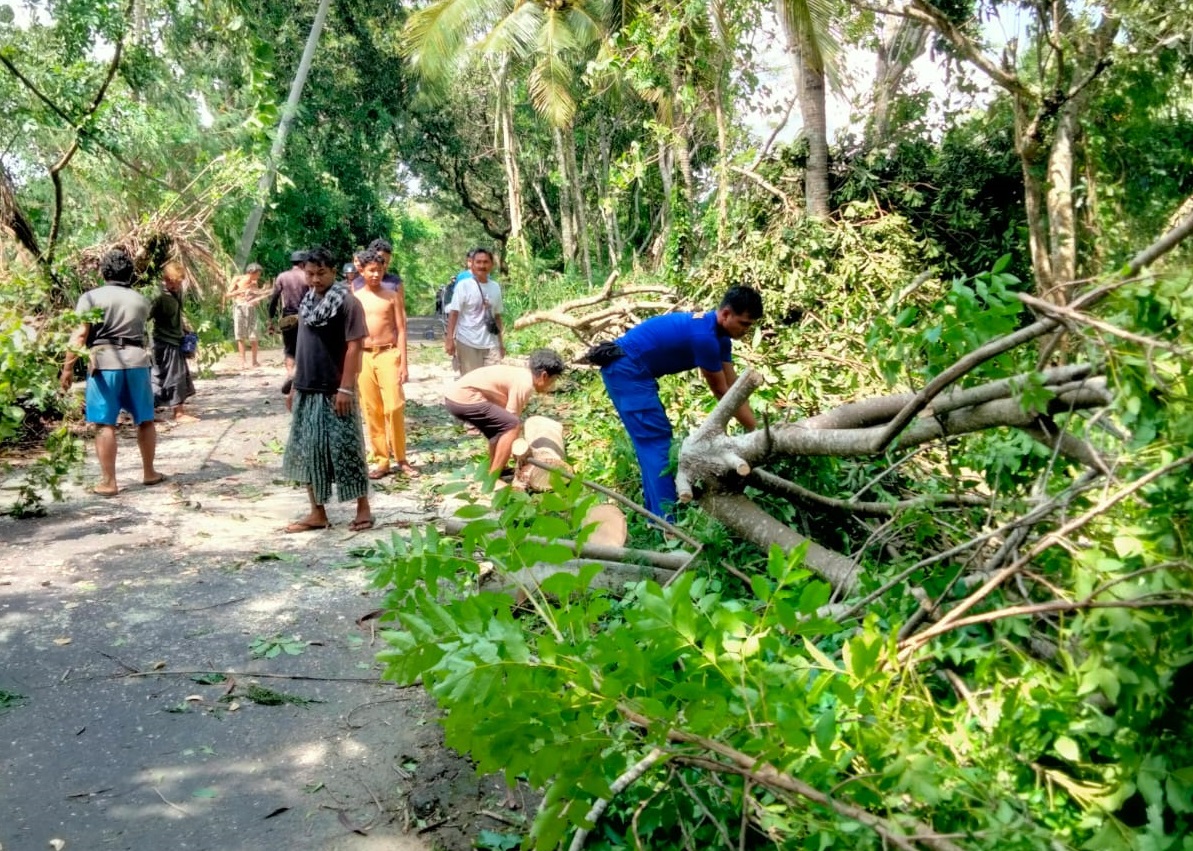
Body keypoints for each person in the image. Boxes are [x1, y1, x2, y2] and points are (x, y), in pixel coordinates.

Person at [595, 286, 763, 520]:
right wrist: (755, 431)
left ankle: (655, 517)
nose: (746, 330)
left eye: (750, 325)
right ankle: (668, 523)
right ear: (725, 314)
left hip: (634, 370)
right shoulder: (704, 338)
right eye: (744, 324)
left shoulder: (721, 338)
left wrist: (756, 430)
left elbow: (736, 388)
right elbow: (721, 391)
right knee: (657, 444)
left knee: (651, 445)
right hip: (627, 370)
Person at [280, 247, 374, 533]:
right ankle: (317, 512)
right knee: (309, 451)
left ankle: (363, 509)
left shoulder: (347, 303)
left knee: (346, 449)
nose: (315, 279)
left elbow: (355, 347)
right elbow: (302, 346)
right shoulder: (307, 301)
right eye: (310, 273)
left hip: (335, 390)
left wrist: (345, 388)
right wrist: (295, 384)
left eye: (321, 273)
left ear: (334, 271)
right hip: (307, 388)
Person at [59, 248, 165, 497]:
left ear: (103, 272)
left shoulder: (91, 297)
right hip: (138, 361)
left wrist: (67, 369)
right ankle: (149, 472)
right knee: (145, 419)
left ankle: (109, 482)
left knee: (105, 423)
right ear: (130, 273)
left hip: (105, 363)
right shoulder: (141, 299)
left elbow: (81, 334)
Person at [443, 349, 565, 475]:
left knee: (499, 430)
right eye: (553, 380)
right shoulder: (525, 384)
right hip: (464, 399)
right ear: (544, 376)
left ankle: (495, 468)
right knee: (512, 426)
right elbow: (512, 421)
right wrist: (520, 451)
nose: (551, 385)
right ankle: (494, 477)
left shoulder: (521, 375)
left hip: (453, 398)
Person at [353, 248, 417, 479]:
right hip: (364, 356)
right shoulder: (356, 297)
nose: (375, 275)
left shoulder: (392, 296)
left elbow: (401, 329)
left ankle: (401, 458)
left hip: (389, 354)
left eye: (379, 270)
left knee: (395, 406)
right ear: (362, 270)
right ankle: (382, 460)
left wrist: (404, 363)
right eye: (371, 271)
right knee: (372, 409)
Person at [148, 261, 197, 422]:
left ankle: (149, 412)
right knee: (172, 376)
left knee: (171, 376)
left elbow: (177, 313)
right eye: (173, 283)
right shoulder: (158, 296)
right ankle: (178, 413)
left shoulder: (176, 293)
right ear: (166, 279)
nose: (176, 286)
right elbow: (145, 316)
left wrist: (184, 329)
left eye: (178, 283)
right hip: (163, 341)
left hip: (176, 338)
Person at [444, 247, 504, 374]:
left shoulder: (495, 287)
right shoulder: (463, 286)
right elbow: (454, 313)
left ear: (492, 265)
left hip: (491, 343)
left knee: (492, 382)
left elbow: (497, 316)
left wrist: (501, 344)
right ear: (472, 264)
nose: (482, 266)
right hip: (467, 342)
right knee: (471, 383)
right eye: (478, 262)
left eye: (486, 262)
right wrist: (450, 339)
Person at [268, 250, 309, 382]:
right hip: (305, 315)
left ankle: (290, 373)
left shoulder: (282, 276)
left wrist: (271, 318)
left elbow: (274, 298)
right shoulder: (307, 276)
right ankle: (302, 373)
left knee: (289, 348)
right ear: (303, 263)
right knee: (306, 345)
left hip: (288, 316)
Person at [225, 262, 268, 367]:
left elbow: (256, 296)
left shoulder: (254, 282)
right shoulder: (237, 279)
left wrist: (257, 298)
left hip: (251, 308)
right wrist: (241, 290)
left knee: (254, 335)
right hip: (240, 307)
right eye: (257, 274)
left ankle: (254, 361)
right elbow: (227, 294)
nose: (258, 276)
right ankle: (242, 361)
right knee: (240, 335)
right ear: (251, 272)